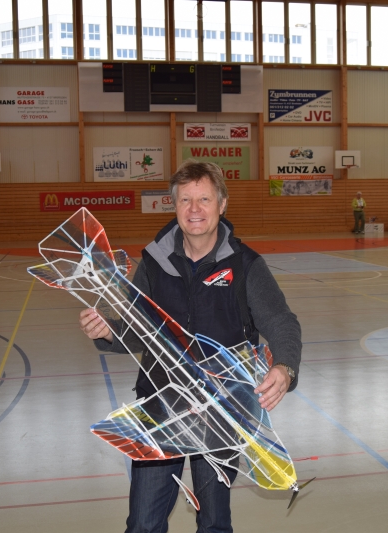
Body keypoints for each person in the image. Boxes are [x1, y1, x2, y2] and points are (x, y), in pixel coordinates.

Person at [78, 160, 302, 533]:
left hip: (221, 410)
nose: (194, 209)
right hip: (160, 408)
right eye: (185, 199)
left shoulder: (246, 266)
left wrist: (285, 366)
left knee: (213, 521)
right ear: (174, 205)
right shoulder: (154, 263)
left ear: (222, 204)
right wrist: (107, 332)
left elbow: (282, 322)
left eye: (204, 199)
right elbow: (137, 331)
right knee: (143, 523)